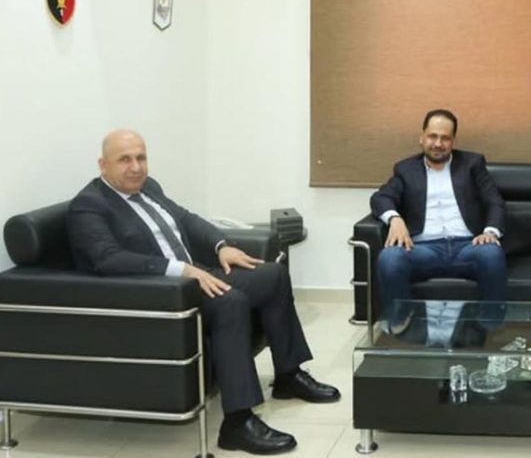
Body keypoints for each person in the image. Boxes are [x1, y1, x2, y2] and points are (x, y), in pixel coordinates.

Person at [67, 130, 339, 456]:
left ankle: (288, 375)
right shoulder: (88, 206)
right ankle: (237, 422)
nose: (136, 167)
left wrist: (222, 245)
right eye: (125, 159)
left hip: (196, 274)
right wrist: (181, 270)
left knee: (273, 275)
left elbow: (187, 220)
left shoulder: (148, 188)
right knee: (231, 301)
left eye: (141, 157)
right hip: (163, 292)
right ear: (103, 164)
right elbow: (107, 259)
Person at [370, 108, 507, 331]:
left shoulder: (472, 164)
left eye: (445, 138)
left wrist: (489, 232)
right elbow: (381, 198)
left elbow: (495, 202)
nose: (438, 143)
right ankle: (401, 324)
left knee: (492, 253)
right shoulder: (405, 169)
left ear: (453, 141)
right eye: (432, 136)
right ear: (422, 137)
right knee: (390, 257)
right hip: (423, 249)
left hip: (468, 247)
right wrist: (395, 219)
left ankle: (490, 328)